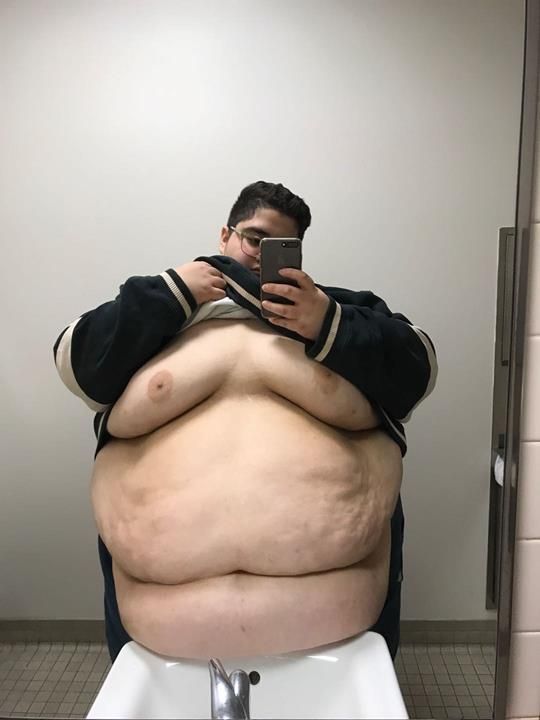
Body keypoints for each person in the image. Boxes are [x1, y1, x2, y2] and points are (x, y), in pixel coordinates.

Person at [53, 181, 437, 663]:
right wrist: (172, 293)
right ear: (225, 235)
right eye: (254, 238)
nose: (260, 255)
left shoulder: (339, 310)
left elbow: (418, 370)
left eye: (284, 246)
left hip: (341, 613)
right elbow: (76, 363)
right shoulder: (159, 313)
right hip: (156, 617)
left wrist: (325, 320)